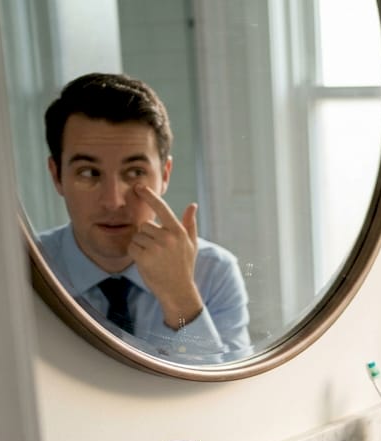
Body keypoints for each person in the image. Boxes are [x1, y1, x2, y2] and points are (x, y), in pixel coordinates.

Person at [36, 72, 250, 363]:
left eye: (135, 173)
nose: (113, 201)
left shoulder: (214, 272)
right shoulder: (25, 271)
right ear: (56, 176)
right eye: (89, 173)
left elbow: (223, 402)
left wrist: (181, 298)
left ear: (164, 175)